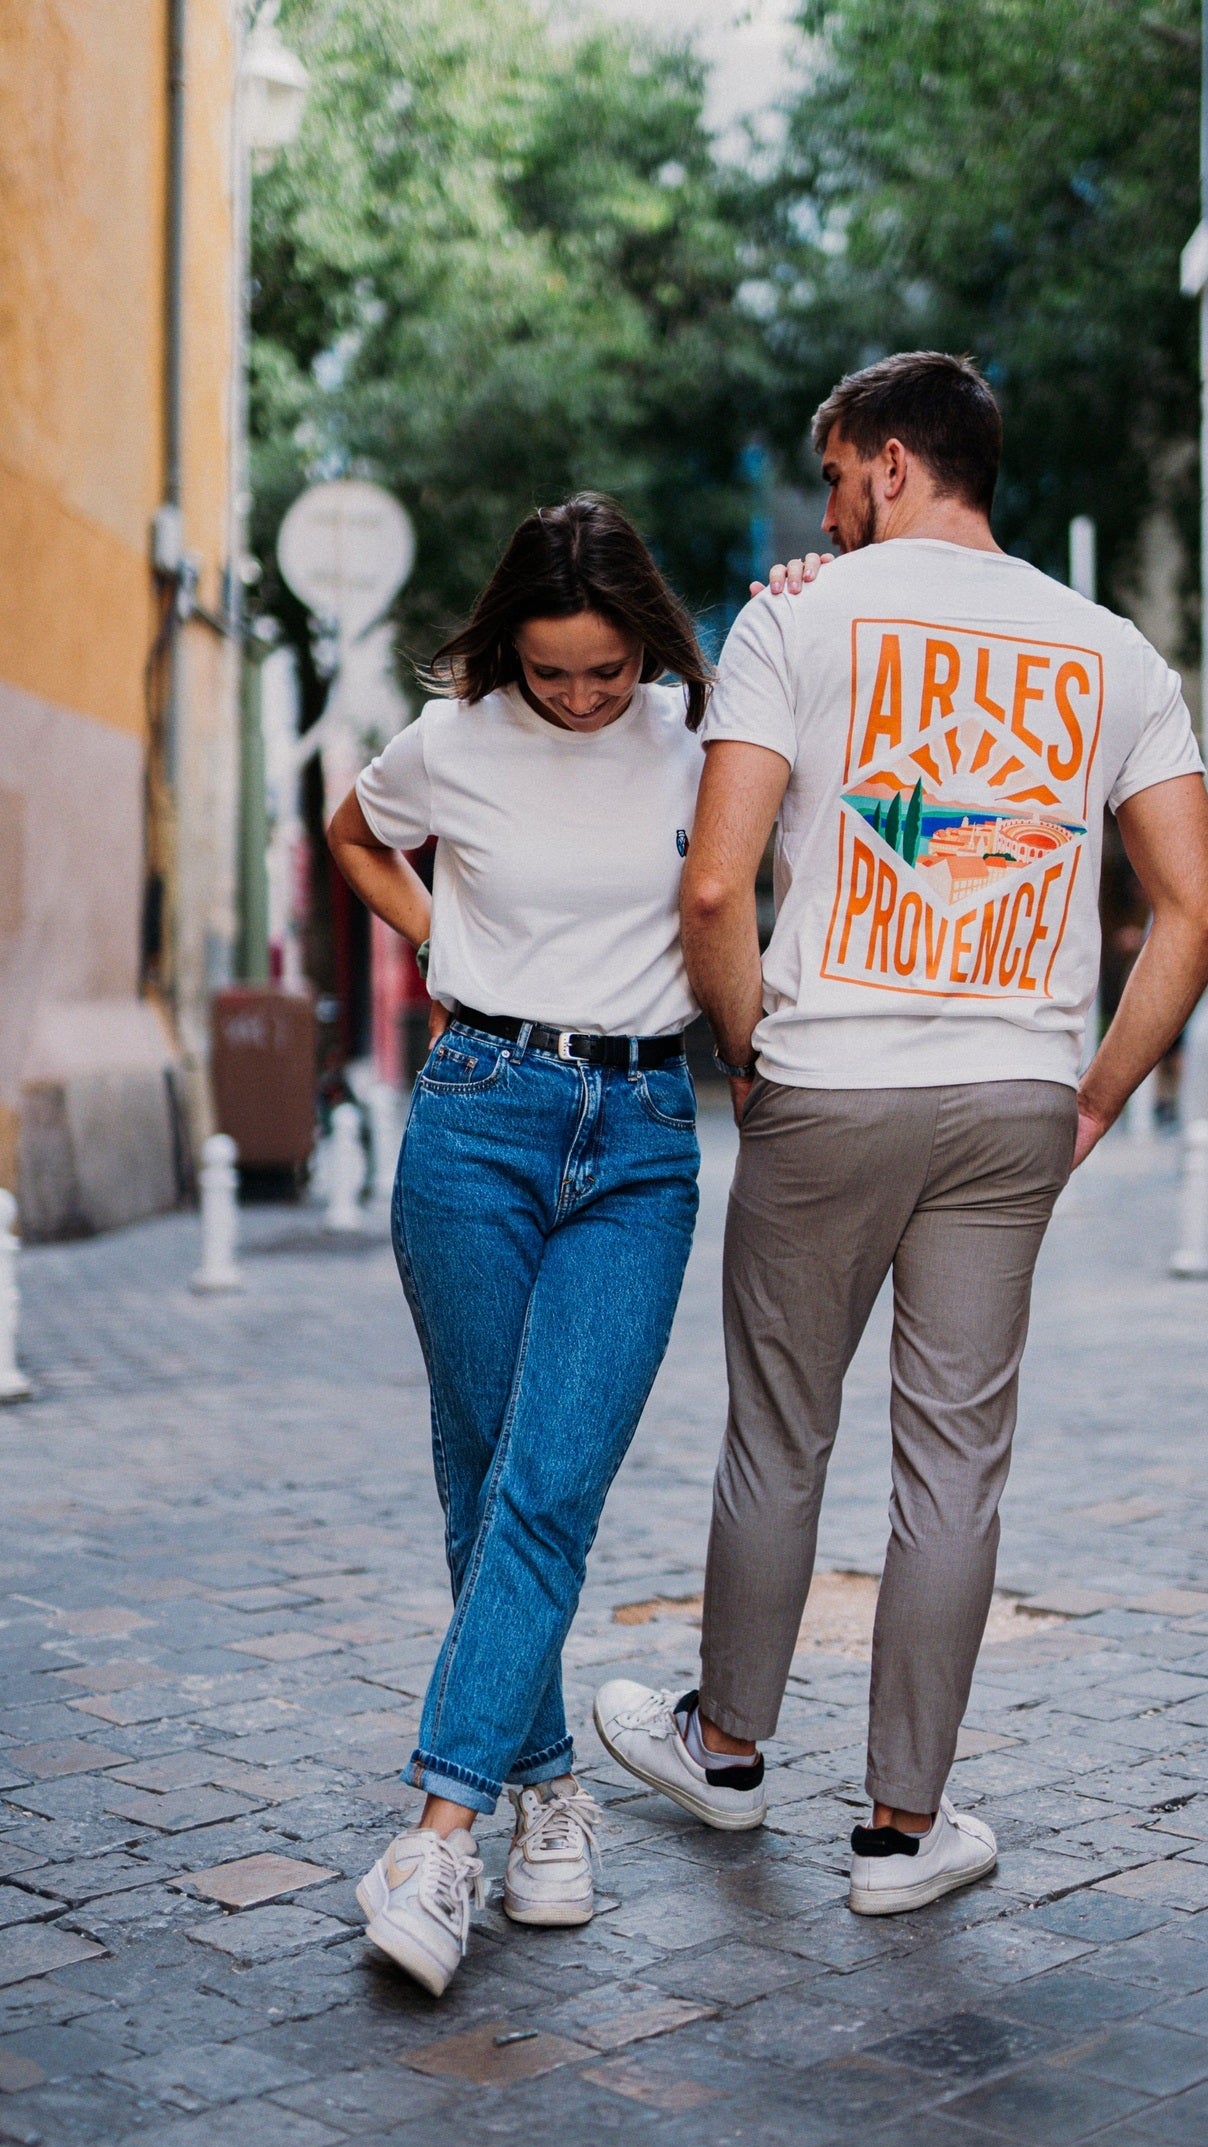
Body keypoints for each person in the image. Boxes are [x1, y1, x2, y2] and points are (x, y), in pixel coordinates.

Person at [596, 351, 1208, 1916]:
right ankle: (899, 1835)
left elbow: (711, 887)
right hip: (1016, 1092)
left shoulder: (795, 621)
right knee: (952, 1467)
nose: (823, 513)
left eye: (832, 479)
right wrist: (1090, 1096)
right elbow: (1198, 916)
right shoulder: (1113, 651)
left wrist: (752, 1055)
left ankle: (727, 1748)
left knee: (779, 1432)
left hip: (828, 1074)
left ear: (885, 465)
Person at [327, 494, 714, 1996]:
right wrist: (438, 937)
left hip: (641, 1137)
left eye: (605, 669)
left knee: (549, 1478)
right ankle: (546, 1792)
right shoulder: (455, 739)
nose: (580, 696)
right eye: (552, 672)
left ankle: (437, 1832)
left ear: (644, 639)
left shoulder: (701, 727)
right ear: (511, 650)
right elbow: (356, 832)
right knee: (485, 1473)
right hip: (477, 1116)